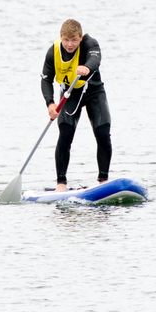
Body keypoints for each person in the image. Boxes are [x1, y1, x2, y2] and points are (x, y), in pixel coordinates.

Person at [40, 19, 112, 191]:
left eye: (74, 40)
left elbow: (95, 60)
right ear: (61, 37)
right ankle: (61, 184)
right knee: (65, 134)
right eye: (66, 40)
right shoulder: (53, 51)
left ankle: (103, 181)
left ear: (81, 37)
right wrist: (50, 103)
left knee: (102, 133)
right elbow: (46, 80)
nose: (70, 44)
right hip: (70, 95)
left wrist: (87, 67)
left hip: (94, 93)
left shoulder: (90, 43)